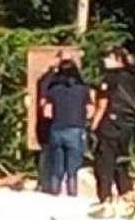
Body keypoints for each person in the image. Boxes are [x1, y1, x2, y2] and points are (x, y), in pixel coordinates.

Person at [91, 47, 135, 203]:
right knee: (122, 160)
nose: (105, 60)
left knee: (104, 161)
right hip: (127, 122)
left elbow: (103, 103)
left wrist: (93, 125)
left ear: (118, 59)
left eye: (108, 57)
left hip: (109, 122)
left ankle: (104, 196)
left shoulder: (111, 78)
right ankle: (126, 193)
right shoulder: (134, 77)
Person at [43, 59, 93, 197]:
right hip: (75, 129)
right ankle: (72, 194)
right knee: (73, 168)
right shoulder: (83, 90)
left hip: (57, 129)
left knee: (56, 167)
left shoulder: (53, 90)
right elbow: (90, 111)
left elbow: (46, 113)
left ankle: (54, 193)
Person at [34, 49, 74, 194]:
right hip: (50, 123)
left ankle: (55, 186)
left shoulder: (64, 80)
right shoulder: (50, 79)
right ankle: (47, 185)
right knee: (48, 153)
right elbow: (43, 102)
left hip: (62, 122)